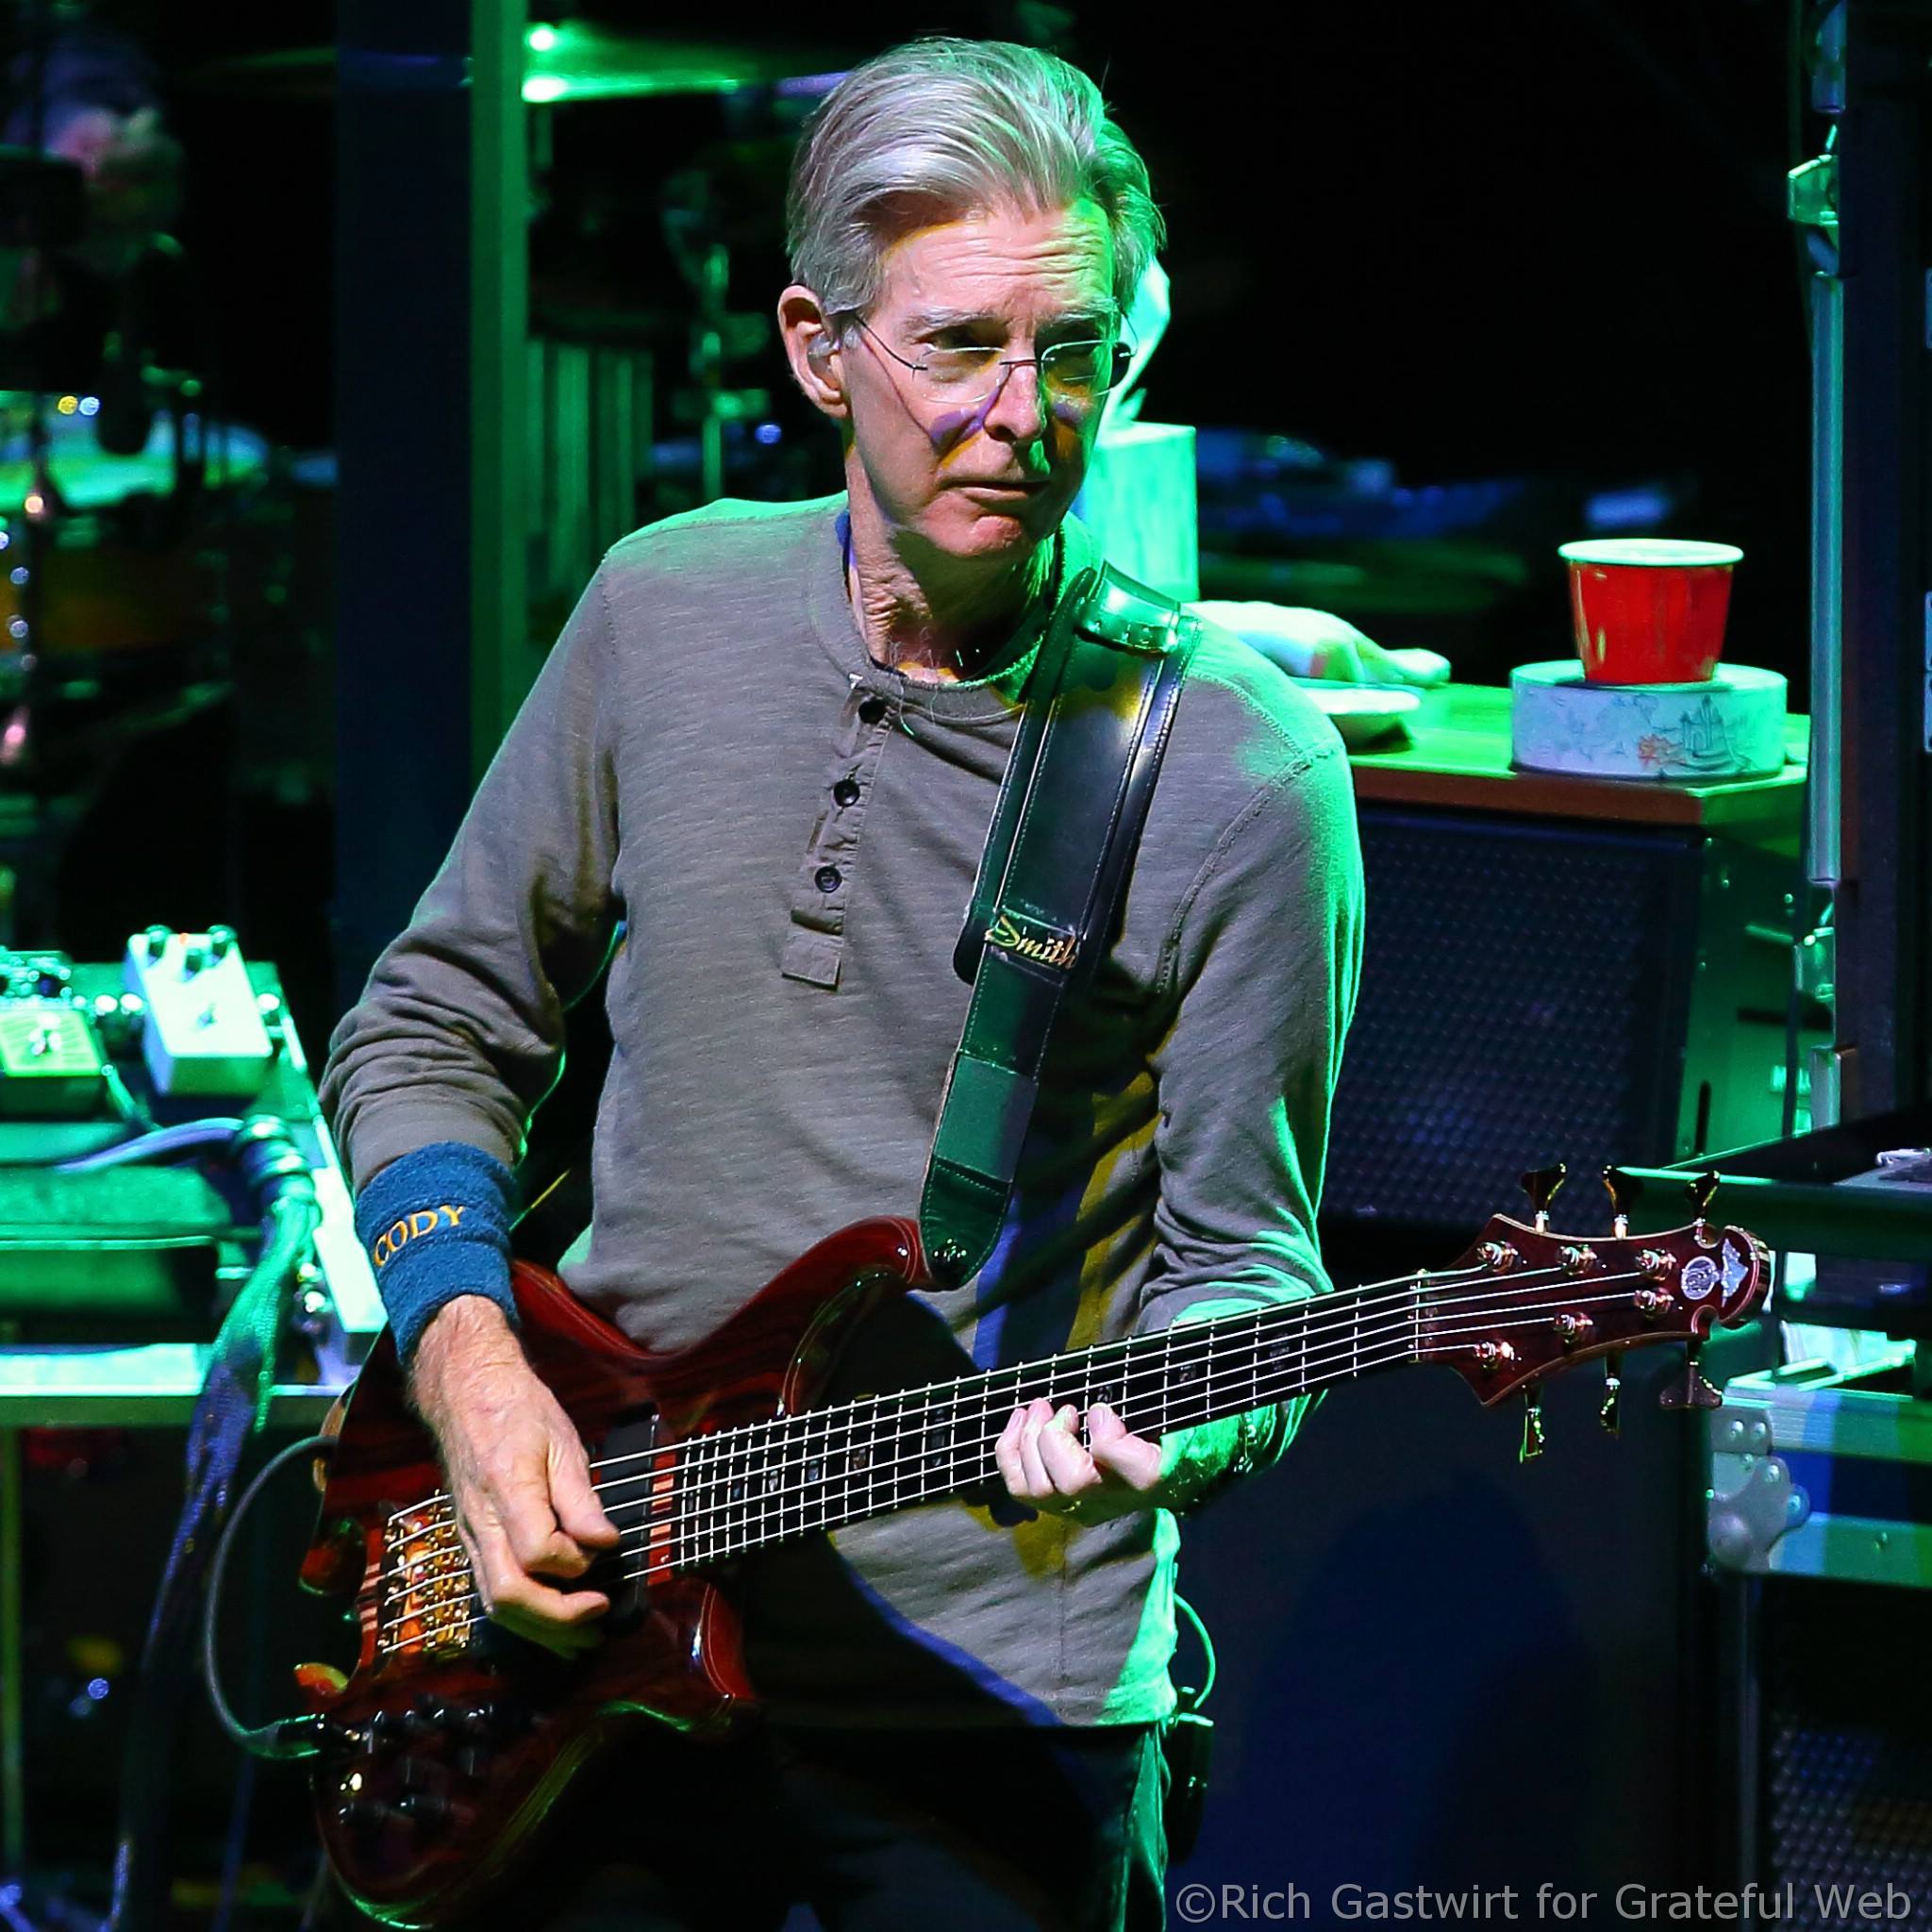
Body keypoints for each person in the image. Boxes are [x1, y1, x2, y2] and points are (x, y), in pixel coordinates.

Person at [318, 36, 1364, 1931]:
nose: (1021, 417)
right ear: (817, 349)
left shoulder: (1241, 770)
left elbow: (1246, 1271)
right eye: (957, 348)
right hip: (591, 1600)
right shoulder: (663, 604)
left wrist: (1176, 1414)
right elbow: (433, 1021)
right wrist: (468, 1372)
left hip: (986, 1696)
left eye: (1074, 356)